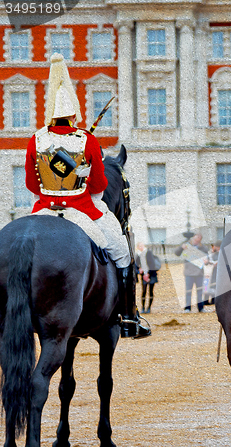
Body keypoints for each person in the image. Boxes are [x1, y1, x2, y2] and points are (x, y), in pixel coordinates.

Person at [24, 53, 150, 338]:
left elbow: (32, 184)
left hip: (43, 209)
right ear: (73, 113)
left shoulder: (37, 139)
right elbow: (97, 186)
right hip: (82, 211)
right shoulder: (86, 139)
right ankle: (129, 318)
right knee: (122, 252)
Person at [174, 233, 209, 313]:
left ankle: (200, 307)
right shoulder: (186, 245)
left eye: (198, 240)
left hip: (199, 272)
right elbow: (176, 253)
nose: (196, 241)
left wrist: (206, 261)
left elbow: (207, 259)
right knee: (188, 291)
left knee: (199, 291)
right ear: (193, 238)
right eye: (195, 239)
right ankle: (187, 308)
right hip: (189, 272)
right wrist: (181, 248)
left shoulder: (203, 248)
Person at [135, 242, 159, 314]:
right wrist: (139, 269)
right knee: (144, 291)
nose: (141, 247)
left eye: (141, 245)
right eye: (139, 246)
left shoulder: (149, 253)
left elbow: (152, 264)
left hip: (151, 274)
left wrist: (148, 274)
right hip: (143, 275)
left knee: (151, 291)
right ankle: (143, 307)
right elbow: (136, 265)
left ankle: (149, 308)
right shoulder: (138, 255)